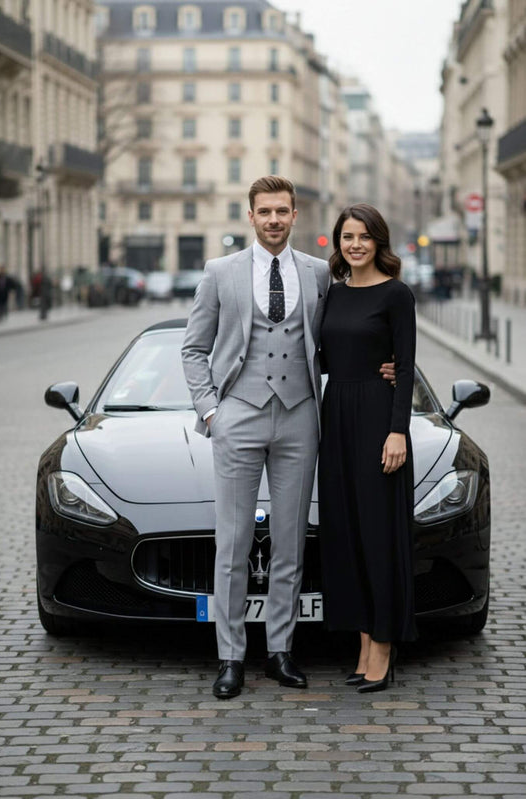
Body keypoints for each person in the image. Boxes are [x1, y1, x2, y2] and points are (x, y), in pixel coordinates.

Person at [182, 177, 395, 699]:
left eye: (282, 211)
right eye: (265, 211)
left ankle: (280, 650)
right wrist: (211, 412)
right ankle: (230, 657)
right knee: (231, 543)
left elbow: (351, 328)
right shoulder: (220, 273)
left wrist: (383, 368)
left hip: (300, 418)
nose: (274, 220)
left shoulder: (321, 273)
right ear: (250, 216)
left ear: (295, 214)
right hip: (237, 416)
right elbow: (193, 350)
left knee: (290, 543)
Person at [318, 203, 417, 694]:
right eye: (347, 236)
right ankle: (361, 646)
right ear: (337, 242)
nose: (354, 244)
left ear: (379, 241)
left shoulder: (397, 295)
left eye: (363, 237)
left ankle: (383, 647)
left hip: (379, 418)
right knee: (347, 533)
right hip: (335, 415)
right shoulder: (332, 295)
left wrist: (398, 431)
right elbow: (316, 358)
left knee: (379, 535)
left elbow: (407, 366)